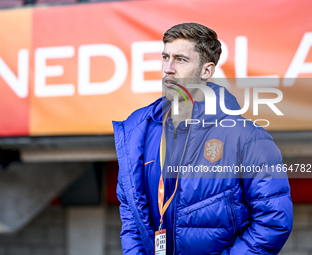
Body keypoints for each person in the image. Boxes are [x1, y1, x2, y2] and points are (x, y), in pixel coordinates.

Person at [113, 23, 293, 255]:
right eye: (165, 57)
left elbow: (273, 222)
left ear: (206, 71)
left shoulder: (248, 138)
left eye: (180, 59)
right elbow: (131, 214)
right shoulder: (141, 133)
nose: (168, 68)